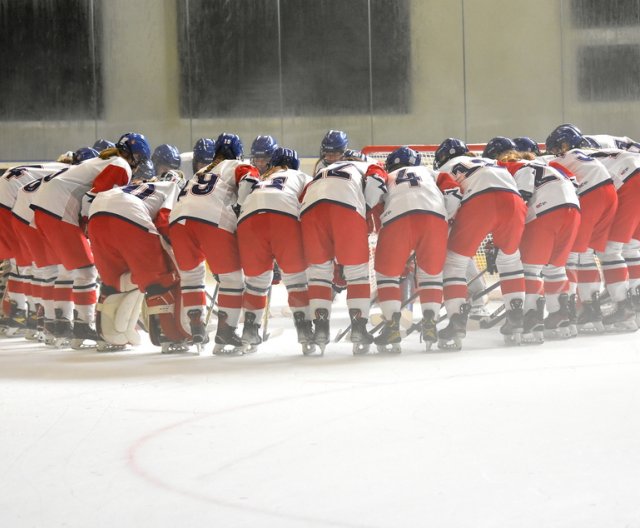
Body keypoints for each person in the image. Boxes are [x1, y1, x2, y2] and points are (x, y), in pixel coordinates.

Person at [31, 132, 149, 347]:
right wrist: (89, 227)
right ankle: (83, 325)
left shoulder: (105, 159)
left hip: (44, 207)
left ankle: (59, 324)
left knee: (67, 271)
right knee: (86, 271)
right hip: (58, 207)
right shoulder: (121, 165)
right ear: (137, 157)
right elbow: (92, 197)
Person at [169, 133, 259, 354]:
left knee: (191, 278)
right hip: (212, 219)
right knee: (233, 279)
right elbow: (249, 181)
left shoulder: (201, 171)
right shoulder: (238, 165)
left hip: (178, 221)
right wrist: (240, 208)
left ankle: (197, 327)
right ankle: (226, 331)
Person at [433, 138, 527, 349]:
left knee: (454, 262)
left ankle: (456, 321)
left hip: (479, 201)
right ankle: (516, 317)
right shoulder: (490, 162)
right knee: (511, 261)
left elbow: (451, 199)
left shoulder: (445, 169)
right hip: (514, 201)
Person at [485, 136, 581, 341]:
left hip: (545, 209)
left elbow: (521, 200)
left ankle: (531, 317)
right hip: (573, 209)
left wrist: (503, 241)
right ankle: (560, 314)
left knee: (530, 269)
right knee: (555, 268)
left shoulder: (505, 168)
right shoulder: (543, 163)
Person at [300, 147, 388, 354]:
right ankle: (359, 328)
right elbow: (377, 182)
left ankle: (320, 329)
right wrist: (365, 207)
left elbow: (302, 197)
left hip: (310, 211)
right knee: (357, 274)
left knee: (319, 275)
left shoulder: (323, 171)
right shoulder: (369, 165)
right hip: (347, 209)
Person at [87, 171, 187, 352]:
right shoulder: (173, 188)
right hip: (129, 215)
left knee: (114, 282)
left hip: (96, 216)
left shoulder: (137, 186)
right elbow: (165, 222)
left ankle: (108, 334)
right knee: (161, 277)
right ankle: (168, 334)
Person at [371, 146, 455, 353]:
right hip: (435, 218)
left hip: (397, 218)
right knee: (431, 275)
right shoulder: (432, 173)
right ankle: (430, 323)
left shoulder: (387, 175)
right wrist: (444, 216)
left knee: (386, 275)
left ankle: (392, 326)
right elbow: (454, 193)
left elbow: (374, 201)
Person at [236, 147, 314, 354]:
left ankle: (250, 331)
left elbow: (240, 203)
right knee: (296, 279)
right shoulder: (301, 176)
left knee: (255, 283)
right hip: (284, 217)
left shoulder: (261, 179)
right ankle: (305, 330)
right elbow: (309, 205)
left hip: (248, 221)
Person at [545, 125, 618, 334]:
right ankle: (591, 307)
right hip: (609, 193)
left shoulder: (560, 160)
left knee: (572, 256)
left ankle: (569, 310)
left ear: (564, 144)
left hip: (591, 194)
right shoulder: (586, 155)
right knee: (586, 254)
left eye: (558, 146)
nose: (555, 151)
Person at [0, 162, 68, 337]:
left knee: (20, 263)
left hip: (9, 203)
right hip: (11, 208)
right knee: (33, 265)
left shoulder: (52, 167)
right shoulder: (72, 174)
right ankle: (29, 314)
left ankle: (21, 313)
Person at [579, 144, 640, 331]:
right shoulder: (602, 147)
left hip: (630, 183)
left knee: (608, 251)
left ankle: (622, 306)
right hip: (631, 176)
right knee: (631, 247)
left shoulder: (566, 159)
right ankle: (634, 301)